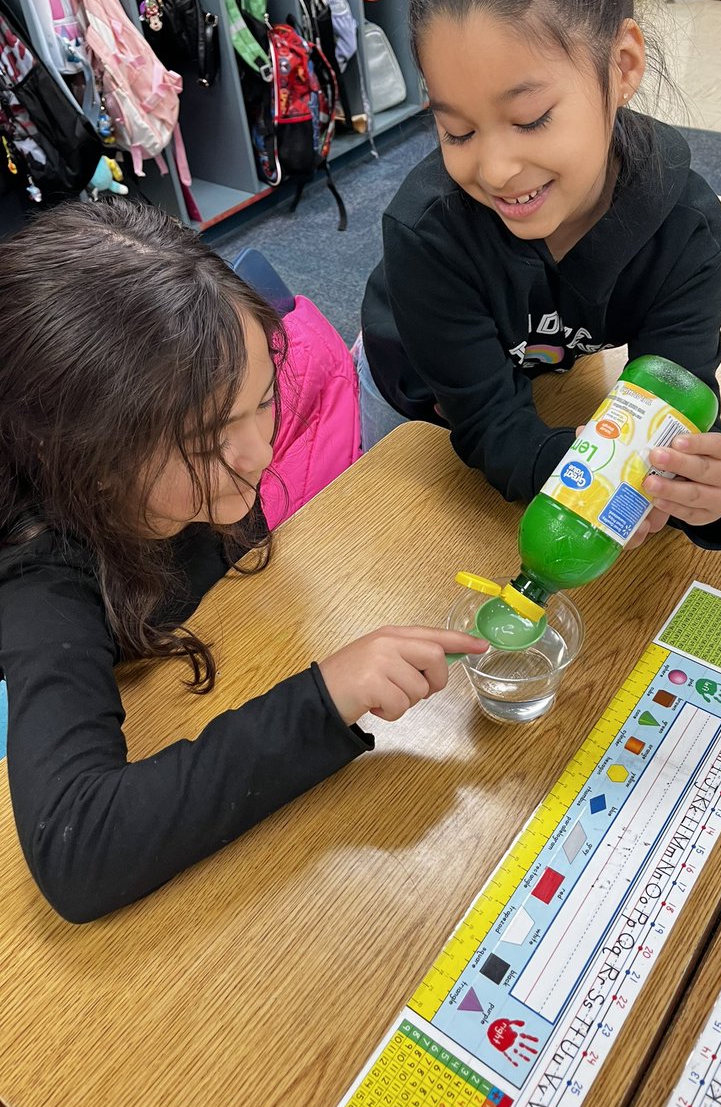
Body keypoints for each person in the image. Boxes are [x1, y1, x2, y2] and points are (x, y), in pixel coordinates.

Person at [0, 199, 486, 923]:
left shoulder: (197, 459)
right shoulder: (41, 580)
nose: (259, 454)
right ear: (85, 457)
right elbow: (77, 848)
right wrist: (324, 698)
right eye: (206, 441)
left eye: (262, 401)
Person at [359, 0, 721, 551]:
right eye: (456, 131)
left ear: (621, 66)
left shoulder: (686, 233)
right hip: (417, 390)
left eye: (531, 119)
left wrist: (712, 492)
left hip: (541, 365)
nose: (493, 170)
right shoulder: (428, 236)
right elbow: (487, 425)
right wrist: (600, 478)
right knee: (388, 548)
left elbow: (674, 406)